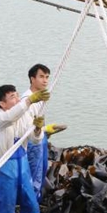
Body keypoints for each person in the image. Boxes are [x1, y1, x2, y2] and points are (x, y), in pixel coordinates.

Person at [0, 83, 50, 213]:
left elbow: (34, 140)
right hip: (5, 165)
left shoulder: (24, 116)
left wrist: (38, 129)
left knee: (30, 202)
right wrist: (29, 101)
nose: (17, 99)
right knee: (7, 205)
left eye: (17, 95)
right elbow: (9, 118)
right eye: (12, 97)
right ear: (2, 103)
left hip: (22, 164)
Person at [21, 63, 67, 201]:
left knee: (41, 171)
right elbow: (26, 127)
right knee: (34, 173)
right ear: (32, 79)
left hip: (41, 138)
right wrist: (43, 130)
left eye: (47, 77)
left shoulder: (41, 97)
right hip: (32, 142)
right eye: (41, 77)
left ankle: (36, 199)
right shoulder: (27, 100)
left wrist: (46, 131)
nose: (45, 80)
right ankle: (31, 203)